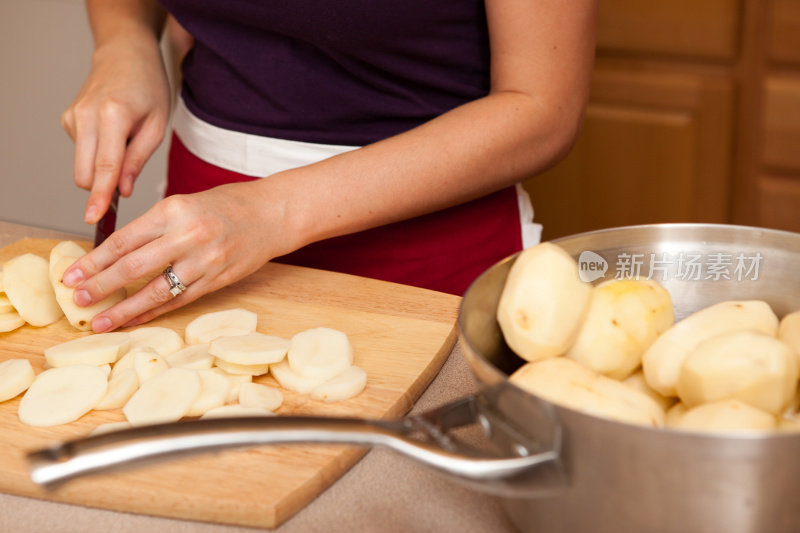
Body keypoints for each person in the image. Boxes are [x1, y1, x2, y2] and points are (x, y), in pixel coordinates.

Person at [60, 0, 597, 333]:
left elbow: (542, 109)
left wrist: (271, 211)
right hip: (200, 219)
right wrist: (124, 41)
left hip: (426, 256)